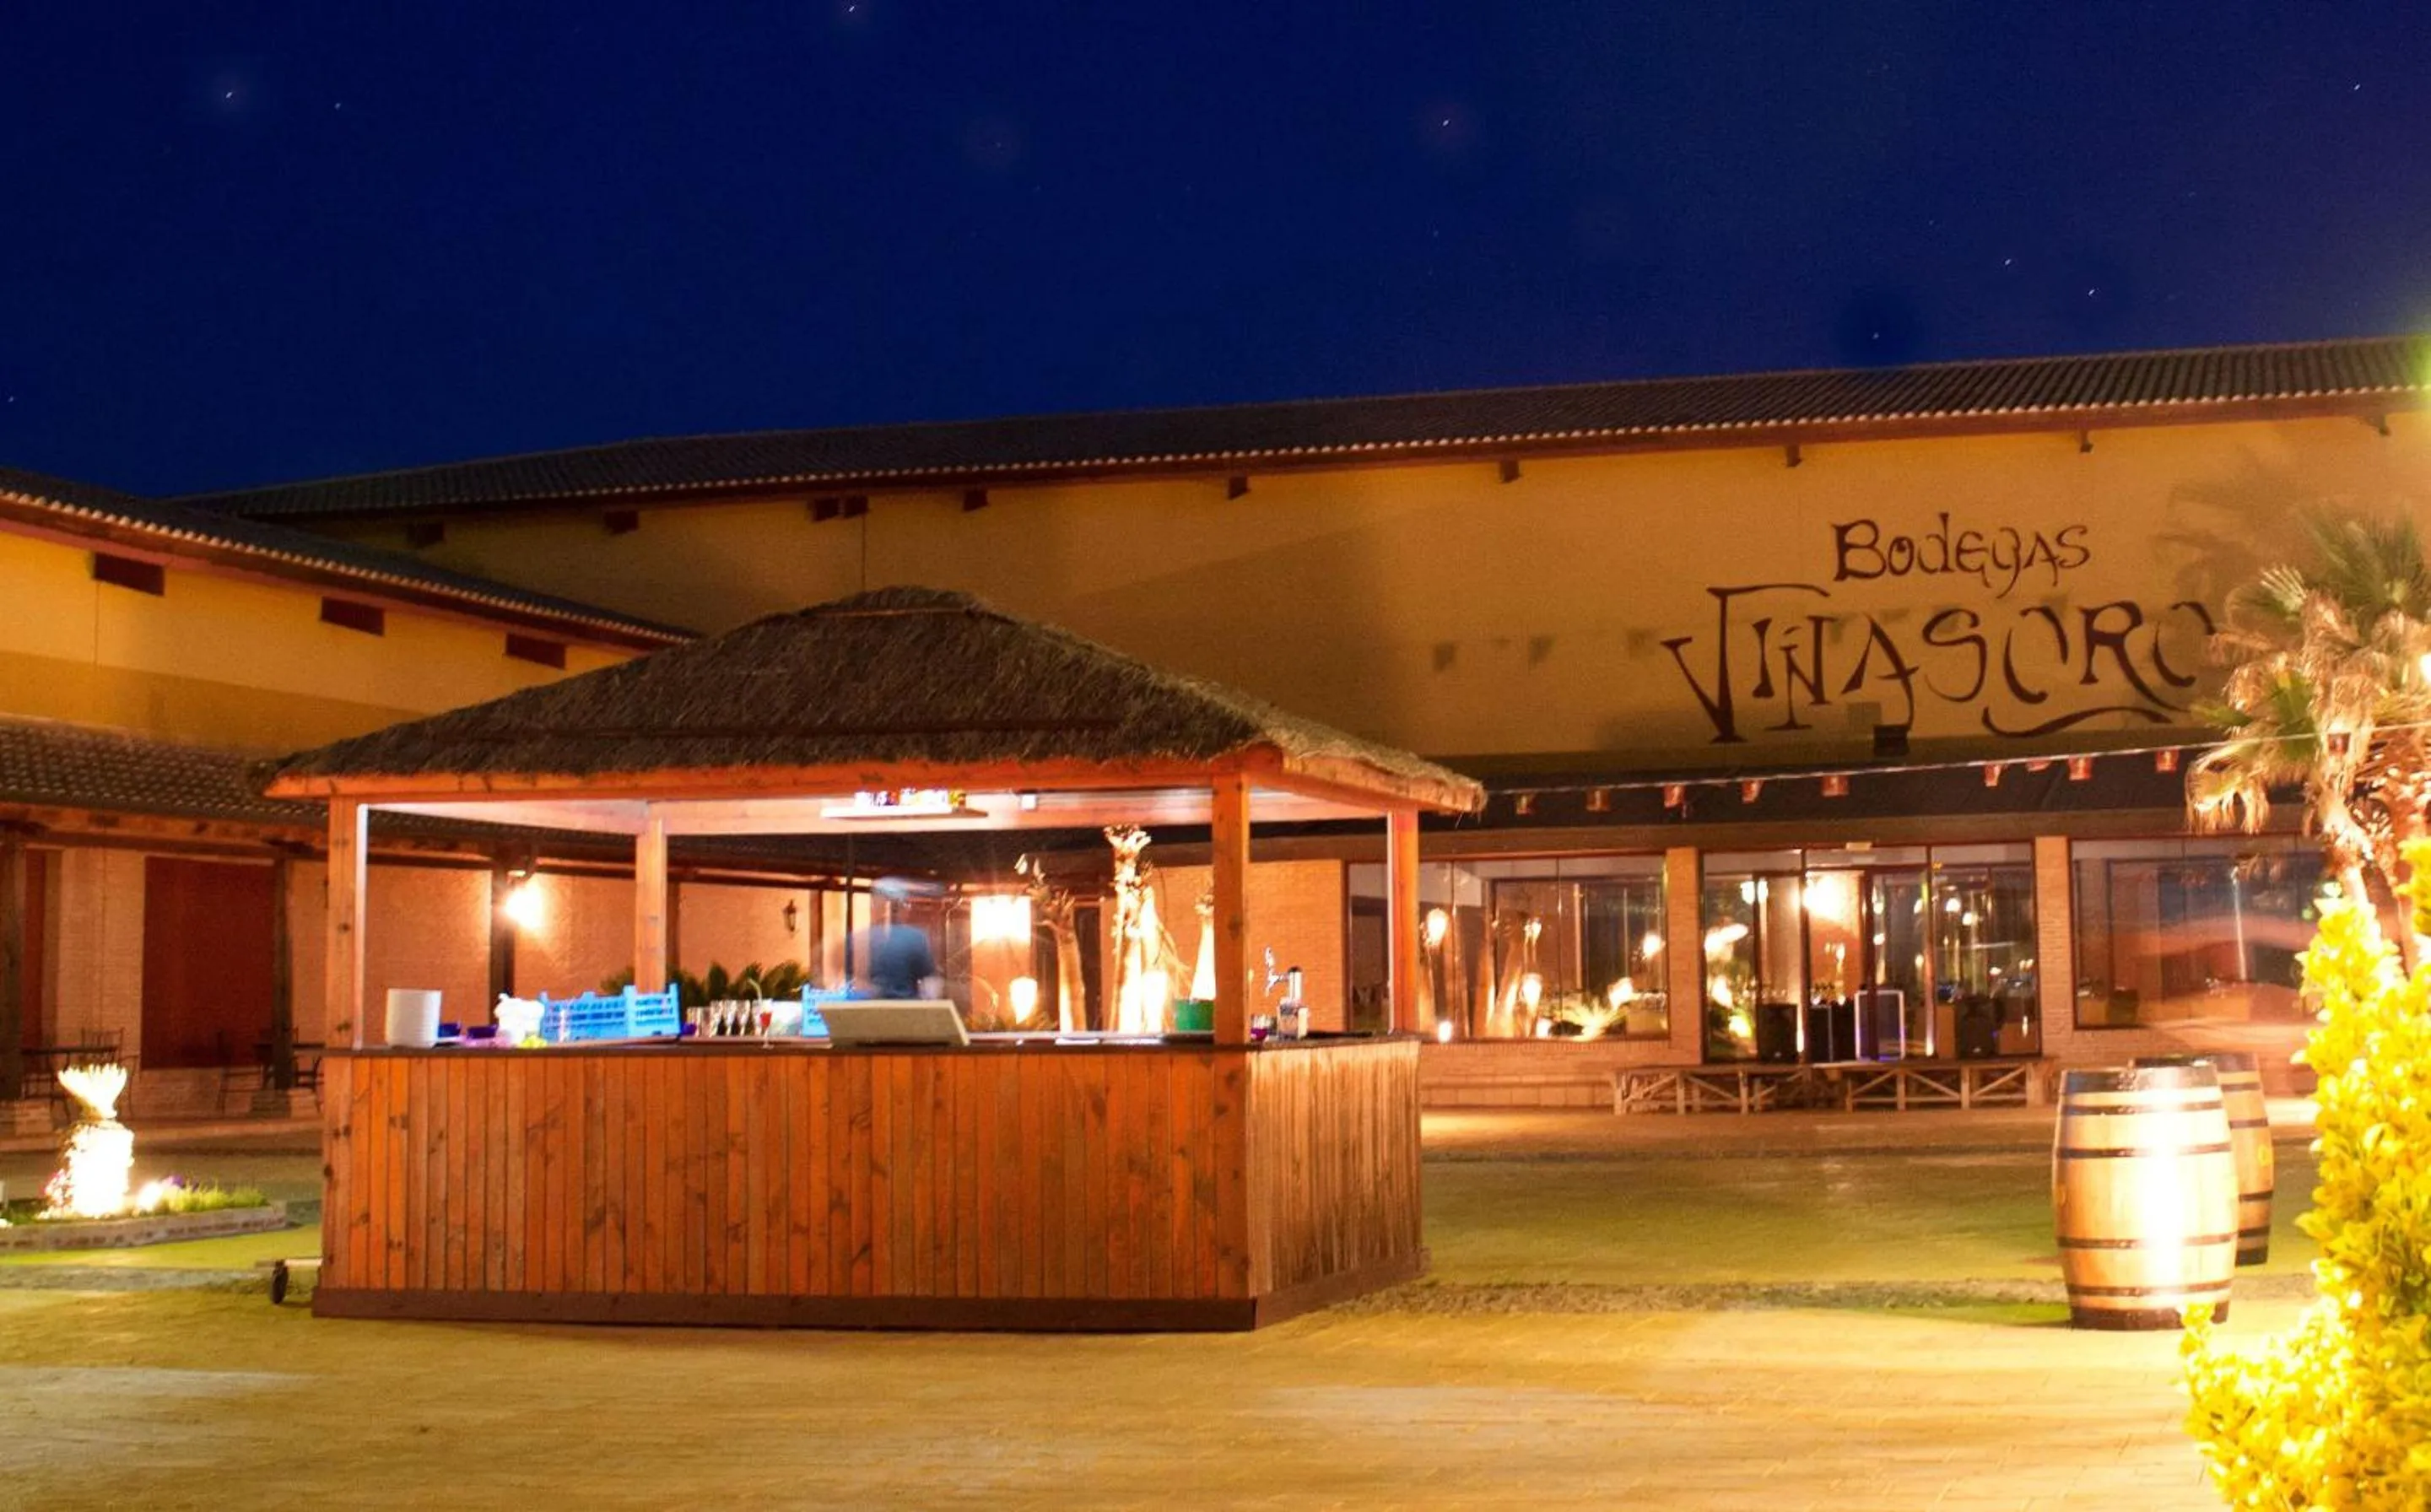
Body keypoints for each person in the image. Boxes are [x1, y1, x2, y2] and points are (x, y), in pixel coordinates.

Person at [854, 877, 944, 1000]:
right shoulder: (915, 938)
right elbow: (930, 985)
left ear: (874, 906)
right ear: (903, 907)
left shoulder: (858, 939)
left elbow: (850, 984)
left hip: (866, 1012)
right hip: (906, 1012)